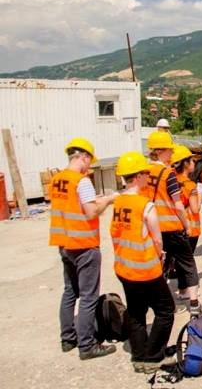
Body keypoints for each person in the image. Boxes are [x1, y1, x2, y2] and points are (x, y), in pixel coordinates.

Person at [50, 138, 117, 360]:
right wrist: (107, 200)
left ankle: (67, 338)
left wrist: (94, 200)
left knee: (70, 292)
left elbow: (73, 205)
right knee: (88, 296)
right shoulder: (82, 181)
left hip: (64, 243)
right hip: (84, 244)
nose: (89, 165)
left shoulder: (58, 179)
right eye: (89, 161)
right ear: (84, 157)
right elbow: (90, 212)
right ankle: (87, 345)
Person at [111, 151, 175, 374]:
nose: (148, 177)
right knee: (166, 311)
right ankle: (153, 355)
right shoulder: (145, 205)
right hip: (146, 268)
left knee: (136, 312)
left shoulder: (119, 201)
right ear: (137, 176)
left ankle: (139, 356)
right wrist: (161, 255)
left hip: (124, 266)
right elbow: (157, 238)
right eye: (145, 174)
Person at [143, 131, 202, 316]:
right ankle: (194, 305)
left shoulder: (144, 172)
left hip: (152, 226)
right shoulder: (167, 173)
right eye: (169, 151)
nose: (171, 154)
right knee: (188, 265)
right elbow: (178, 206)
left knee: (160, 266)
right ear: (161, 151)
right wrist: (187, 225)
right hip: (172, 227)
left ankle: (159, 303)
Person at [172, 145, 201, 252]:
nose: (194, 163)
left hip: (174, 225)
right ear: (185, 163)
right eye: (192, 160)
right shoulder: (190, 186)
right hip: (190, 227)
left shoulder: (171, 180)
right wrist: (200, 198)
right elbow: (195, 209)